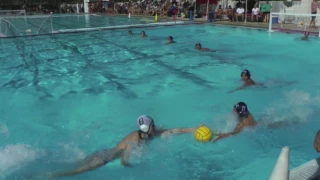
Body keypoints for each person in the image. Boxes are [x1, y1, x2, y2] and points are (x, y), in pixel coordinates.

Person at [49, 115, 200, 178]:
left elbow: (174, 131)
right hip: (104, 158)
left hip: (104, 153)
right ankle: (54, 175)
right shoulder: (135, 140)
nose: (156, 126)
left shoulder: (150, 133)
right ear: (148, 128)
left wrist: (193, 129)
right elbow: (124, 162)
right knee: (76, 171)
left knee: (76, 164)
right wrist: (138, 169)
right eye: (153, 125)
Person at [213, 102, 302, 142]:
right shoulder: (247, 113)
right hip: (261, 123)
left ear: (239, 113)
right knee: (278, 124)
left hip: (262, 128)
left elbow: (235, 133)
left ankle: (295, 121)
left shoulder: (242, 122)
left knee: (280, 125)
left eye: (234, 110)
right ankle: (294, 120)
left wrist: (222, 135)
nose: (232, 111)